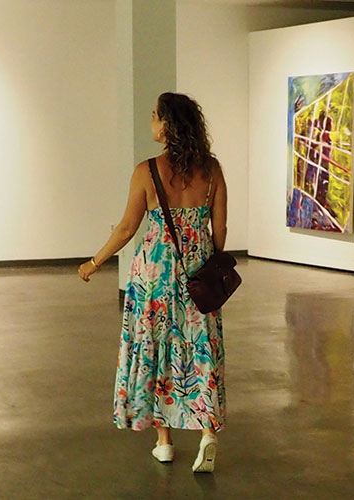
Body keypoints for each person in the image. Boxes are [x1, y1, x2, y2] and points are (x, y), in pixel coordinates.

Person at [78, 92, 228, 473]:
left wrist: (94, 262)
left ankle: (163, 441)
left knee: (156, 348)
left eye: (155, 117)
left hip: (155, 276)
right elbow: (220, 227)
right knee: (199, 349)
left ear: (169, 125)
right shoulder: (212, 170)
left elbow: (128, 227)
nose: (151, 123)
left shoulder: (146, 171)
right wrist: (208, 262)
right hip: (198, 274)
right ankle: (207, 431)